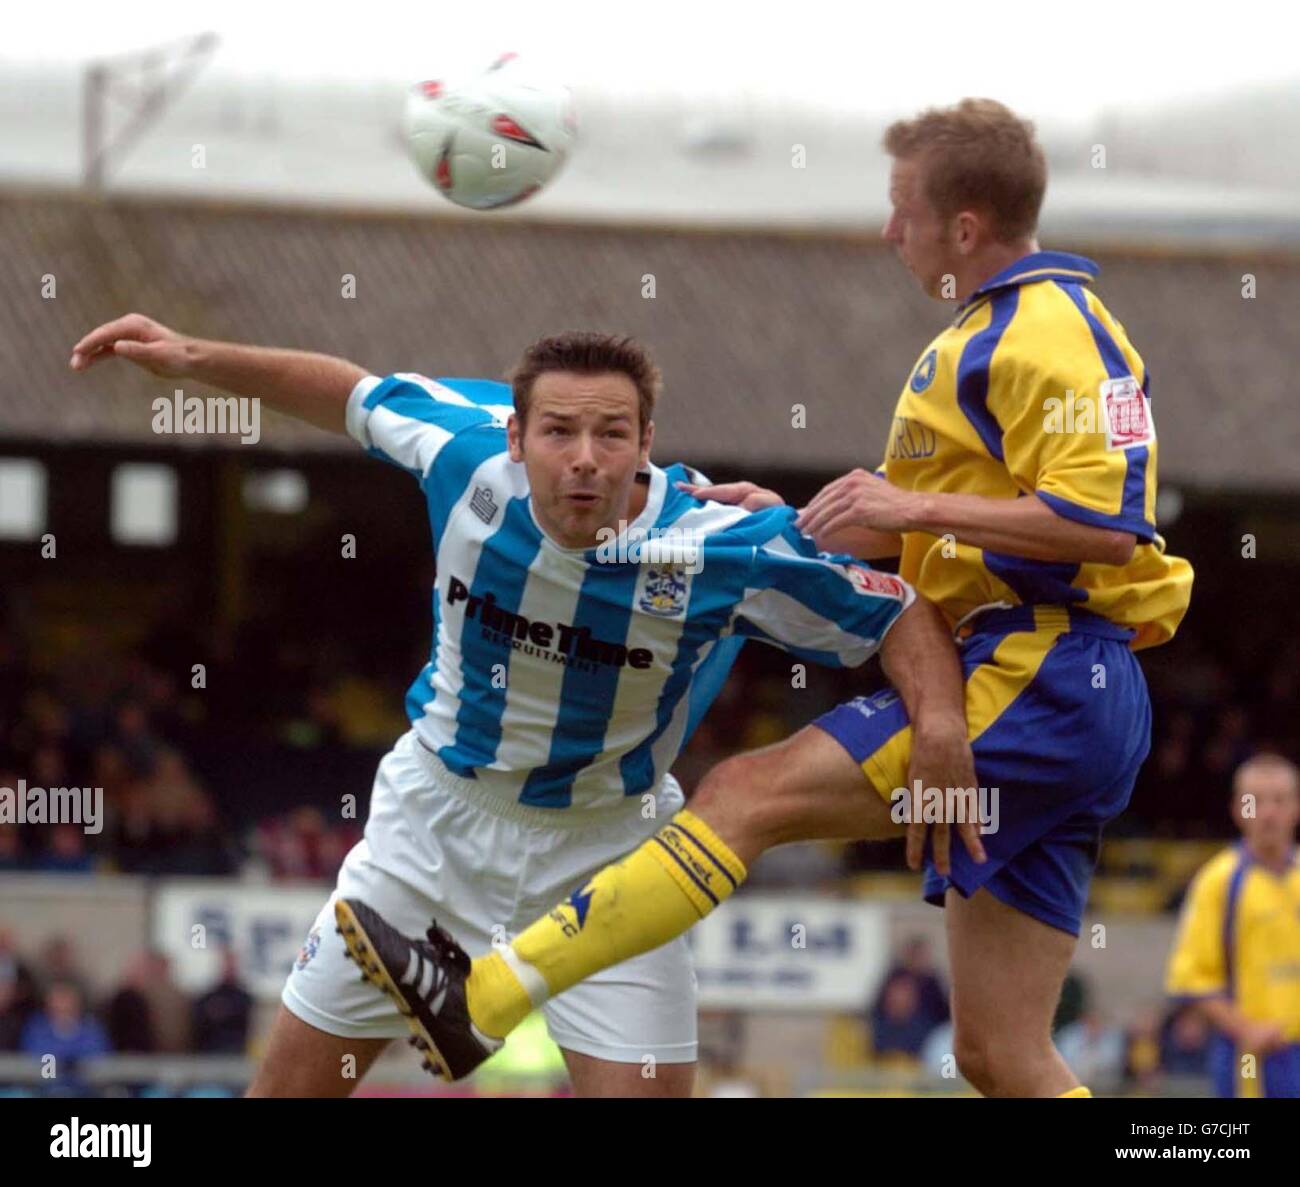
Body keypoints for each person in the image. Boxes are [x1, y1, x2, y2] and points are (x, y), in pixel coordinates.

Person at [366, 98, 1193, 1099]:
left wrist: (907, 500)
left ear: (962, 227)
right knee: (998, 1054)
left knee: (741, 795)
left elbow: (1107, 522)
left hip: (1039, 670)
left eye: (901, 210)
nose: (890, 232)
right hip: (1054, 681)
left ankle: (484, 996)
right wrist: (801, 522)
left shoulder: (1045, 330)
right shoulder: (985, 334)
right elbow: (941, 527)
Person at [70, 316, 972, 1097]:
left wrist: (938, 727)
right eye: (559, 431)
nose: (585, 458)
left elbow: (895, 610)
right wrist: (190, 356)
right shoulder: (461, 457)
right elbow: (344, 391)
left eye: (612, 433)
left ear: (647, 440)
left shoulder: (719, 544)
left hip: (611, 861)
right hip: (429, 836)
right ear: (515, 435)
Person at [1165, 753, 1300, 1097]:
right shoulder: (1218, 881)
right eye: (1256, 801)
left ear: (1295, 808)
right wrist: (1245, 1029)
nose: (1268, 812)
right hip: (1252, 1056)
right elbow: (1191, 977)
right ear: (1238, 809)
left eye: (1280, 801)